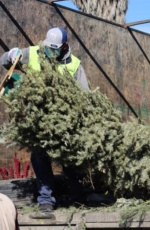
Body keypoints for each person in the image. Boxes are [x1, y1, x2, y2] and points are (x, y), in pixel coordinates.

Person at [0, 27, 90, 212]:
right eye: (49, 48)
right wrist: (10, 54)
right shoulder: (33, 54)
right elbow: (5, 63)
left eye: (55, 49)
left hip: (64, 121)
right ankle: (46, 200)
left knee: (70, 158)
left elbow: (85, 97)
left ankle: (78, 197)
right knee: (40, 157)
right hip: (38, 121)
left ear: (65, 46)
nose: (51, 53)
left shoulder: (74, 65)